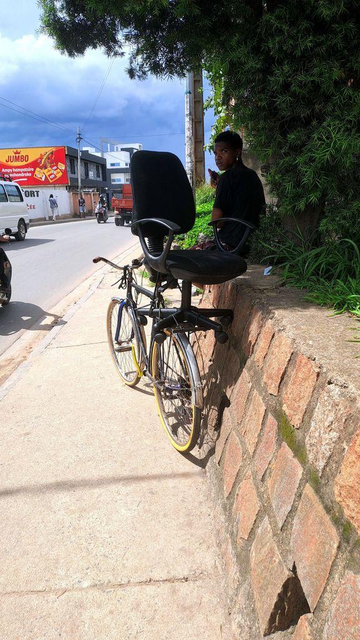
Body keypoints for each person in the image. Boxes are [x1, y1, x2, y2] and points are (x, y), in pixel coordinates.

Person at [205, 130, 266, 253]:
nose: (218, 157)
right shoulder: (252, 175)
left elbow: (217, 222)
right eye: (216, 153)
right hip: (254, 243)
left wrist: (220, 190)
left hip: (230, 244)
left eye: (224, 151)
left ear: (237, 152)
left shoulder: (226, 179)